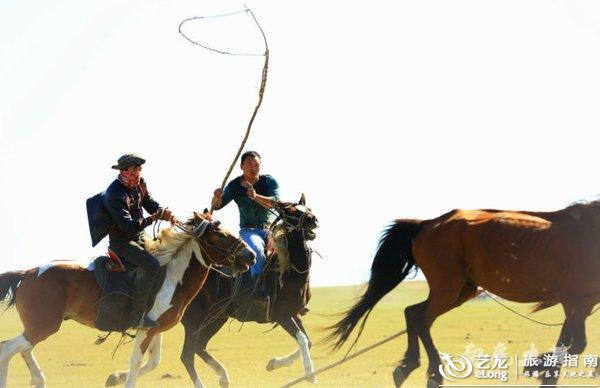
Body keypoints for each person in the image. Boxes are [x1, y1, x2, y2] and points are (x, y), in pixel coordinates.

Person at [89, 153, 181, 329]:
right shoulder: (114, 194)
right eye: (134, 170)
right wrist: (154, 218)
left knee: (166, 257)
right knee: (152, 265)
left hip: (139, 237)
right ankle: (136, 318)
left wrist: (165, 212)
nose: (137, 173)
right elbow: (128, 227)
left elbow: (150, 203)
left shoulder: (140, 183)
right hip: (122, 243)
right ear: (124, 171)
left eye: (139, 169)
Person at [211, 151, 280, 305]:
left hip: (271, 230)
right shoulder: (234, 185)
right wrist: (216, 197)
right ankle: (258, 290)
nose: (253, 168)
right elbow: (217, 206)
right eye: (249, 164)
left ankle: (295, 295)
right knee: (257, 251)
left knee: (294, 249)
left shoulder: (269, 182)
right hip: (249, 231)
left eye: (256, 165)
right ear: (241, 166)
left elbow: (275, 202)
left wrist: (256, 196)